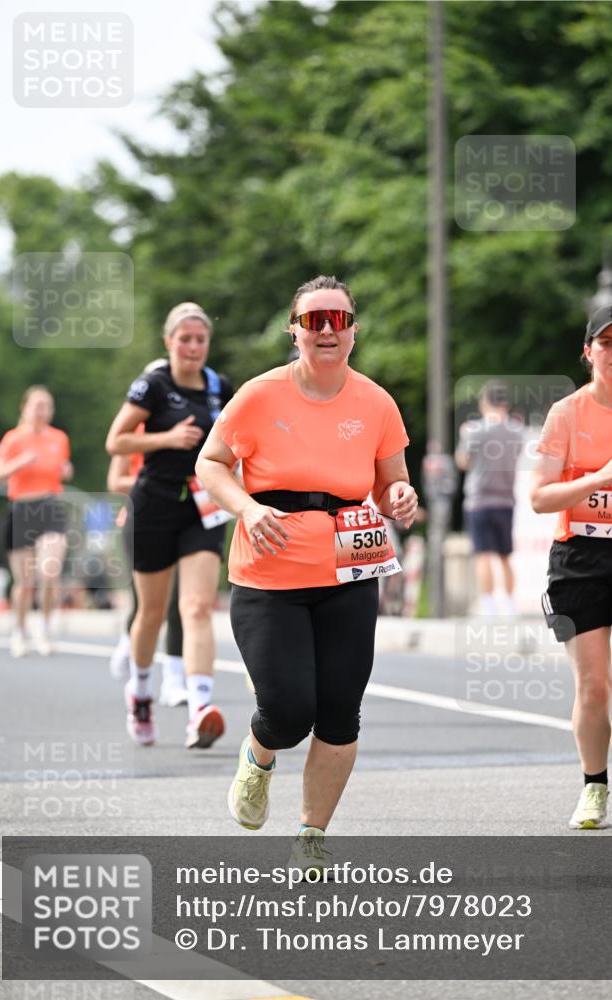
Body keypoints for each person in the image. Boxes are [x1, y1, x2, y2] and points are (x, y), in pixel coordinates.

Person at [195, 274, 418, 868]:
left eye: (337, 319)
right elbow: (211, 463)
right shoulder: (259, 395)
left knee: (341, 710)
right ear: (294, 331)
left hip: (350, 570)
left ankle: (311, 837)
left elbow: (390, 478)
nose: (326, 329)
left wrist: (399, 496)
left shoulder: (375, 402)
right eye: (313, 319)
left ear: (353, 332)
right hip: (269, 576)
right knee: (291, 710)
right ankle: (259, 755)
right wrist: (246, 506)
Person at [530, 304, 612, 830]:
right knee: (594, 686)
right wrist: (597, 478)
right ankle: (593, 787)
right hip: (578, 558)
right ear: (588, 352)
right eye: (607, 343)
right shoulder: (567, 413)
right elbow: (540, 496)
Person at [105, 303, 233, 748]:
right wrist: (167, 439)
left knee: (197, 606)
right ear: (169, 342)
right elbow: (115, 439)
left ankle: (200, 710)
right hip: (153, 504)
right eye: (185, 339)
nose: (194, 347)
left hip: (202, 508)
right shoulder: (153, 384)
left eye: (201, 339)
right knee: (151, 612)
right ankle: (140, 693)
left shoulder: (219, 388)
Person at [0, 386, 73, 656]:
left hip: (49, 506)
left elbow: (64, 469)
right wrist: (20, 463)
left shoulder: (59, 438)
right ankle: (19, 629)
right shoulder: (13, 439)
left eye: (47, 406)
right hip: (22, 508)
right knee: (24, 581)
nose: (42, 411)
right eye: (37, 405)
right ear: (24, 408)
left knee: (49, 572)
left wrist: (66, 470)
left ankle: (45, 629)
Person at [107, 437, 188, 708]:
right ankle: (128, 643)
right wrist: (159, 485)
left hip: (182, 521)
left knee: (179, 600)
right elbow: (116, 481)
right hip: (141, 519)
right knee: (147, 603)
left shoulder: (189, 425)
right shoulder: (135, 431)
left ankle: (173, 680)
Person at [455, 380, 524, 615]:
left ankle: (488, 605)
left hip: (478, 501)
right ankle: (510, 604)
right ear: (505, 403)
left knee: (483, 554)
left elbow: (463, 461)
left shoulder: (473, 431)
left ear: (485, 402)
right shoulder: (516, 431)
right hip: (506, 500)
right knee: (505, 555)